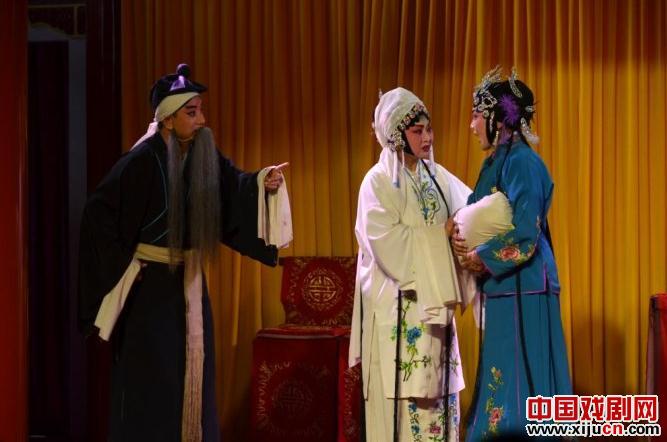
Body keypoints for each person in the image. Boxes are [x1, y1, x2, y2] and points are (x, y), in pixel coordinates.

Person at [78, 64, 292, 442]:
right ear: (167, 119)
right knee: (155, 381)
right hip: (149, 293)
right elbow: (99, 214)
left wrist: (263, 182)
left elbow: (234, 187)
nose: (201, 120)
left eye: (200, 111)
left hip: (190, 285)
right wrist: (124, 266)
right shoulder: (140, 162)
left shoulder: (203, 155)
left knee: (195, 373)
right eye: (191, 113)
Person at [349, 87, 474, 441]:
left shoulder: (436, 176)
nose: (428, 138)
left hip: (434, 317)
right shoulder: (377, 183)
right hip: (397, 313)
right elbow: (389, 246)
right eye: (418, 131)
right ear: (396, 135)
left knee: (439, 412)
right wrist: (440, 235)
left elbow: (470, 208)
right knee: (402, 418)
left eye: (429, 129)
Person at [454, 66, 572, 440]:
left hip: (526, 284)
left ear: (497, 118)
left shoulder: (523, 162)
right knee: (502, 371)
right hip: (506, 284)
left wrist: (482, 257)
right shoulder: (495, 162)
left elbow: (525, 232)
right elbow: (474, 210)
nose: (472, 125)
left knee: (523, 374)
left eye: (477, 115)